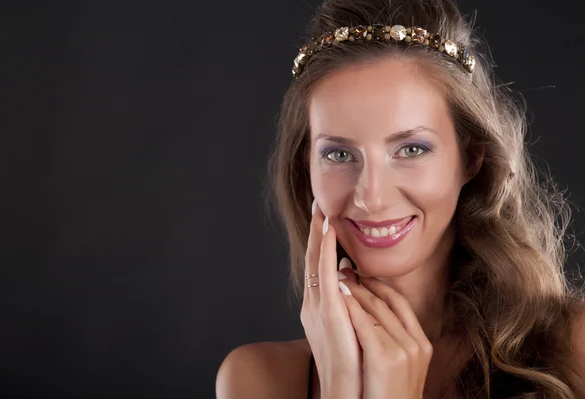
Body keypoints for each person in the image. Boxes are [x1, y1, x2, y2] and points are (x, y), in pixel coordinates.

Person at [216, 0, 585, 397]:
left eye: (411, 150)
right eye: (339, 154)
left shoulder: (574, 349)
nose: (372, 197)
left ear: (471, 158)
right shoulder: (258, 380)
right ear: (305, 167)